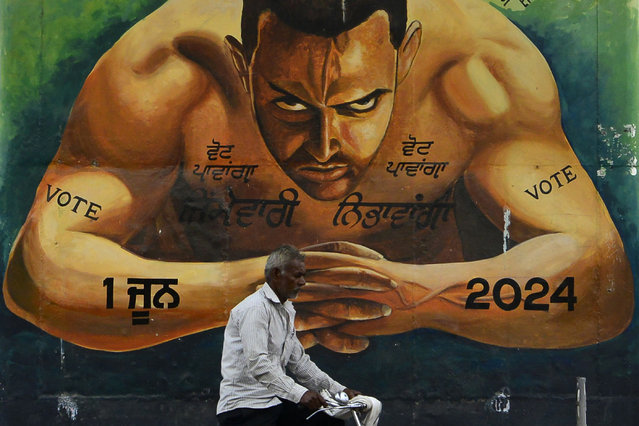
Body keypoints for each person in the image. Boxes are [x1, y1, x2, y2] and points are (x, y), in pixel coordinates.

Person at [2, 0, 633, 353]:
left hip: (435, 364)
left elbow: (599, 273)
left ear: (405, 55)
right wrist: (249, 289)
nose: (327, 145)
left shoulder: (482, 72)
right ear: (240, 62)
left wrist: (413, 295)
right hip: (197, 368)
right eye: (290, 105)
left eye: (361, 105)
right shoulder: (160, 73)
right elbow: (41, 269)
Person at [216, 245, 361, 425]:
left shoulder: (285, 310)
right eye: (297, 275)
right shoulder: (255, 309)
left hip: (272, 404)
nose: (303, 282)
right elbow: (258, 364)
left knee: (329, 423)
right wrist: (300, 393)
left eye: (303, 276)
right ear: (277, 274)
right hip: (244, 409)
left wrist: (340, 390)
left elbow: (300, 364)